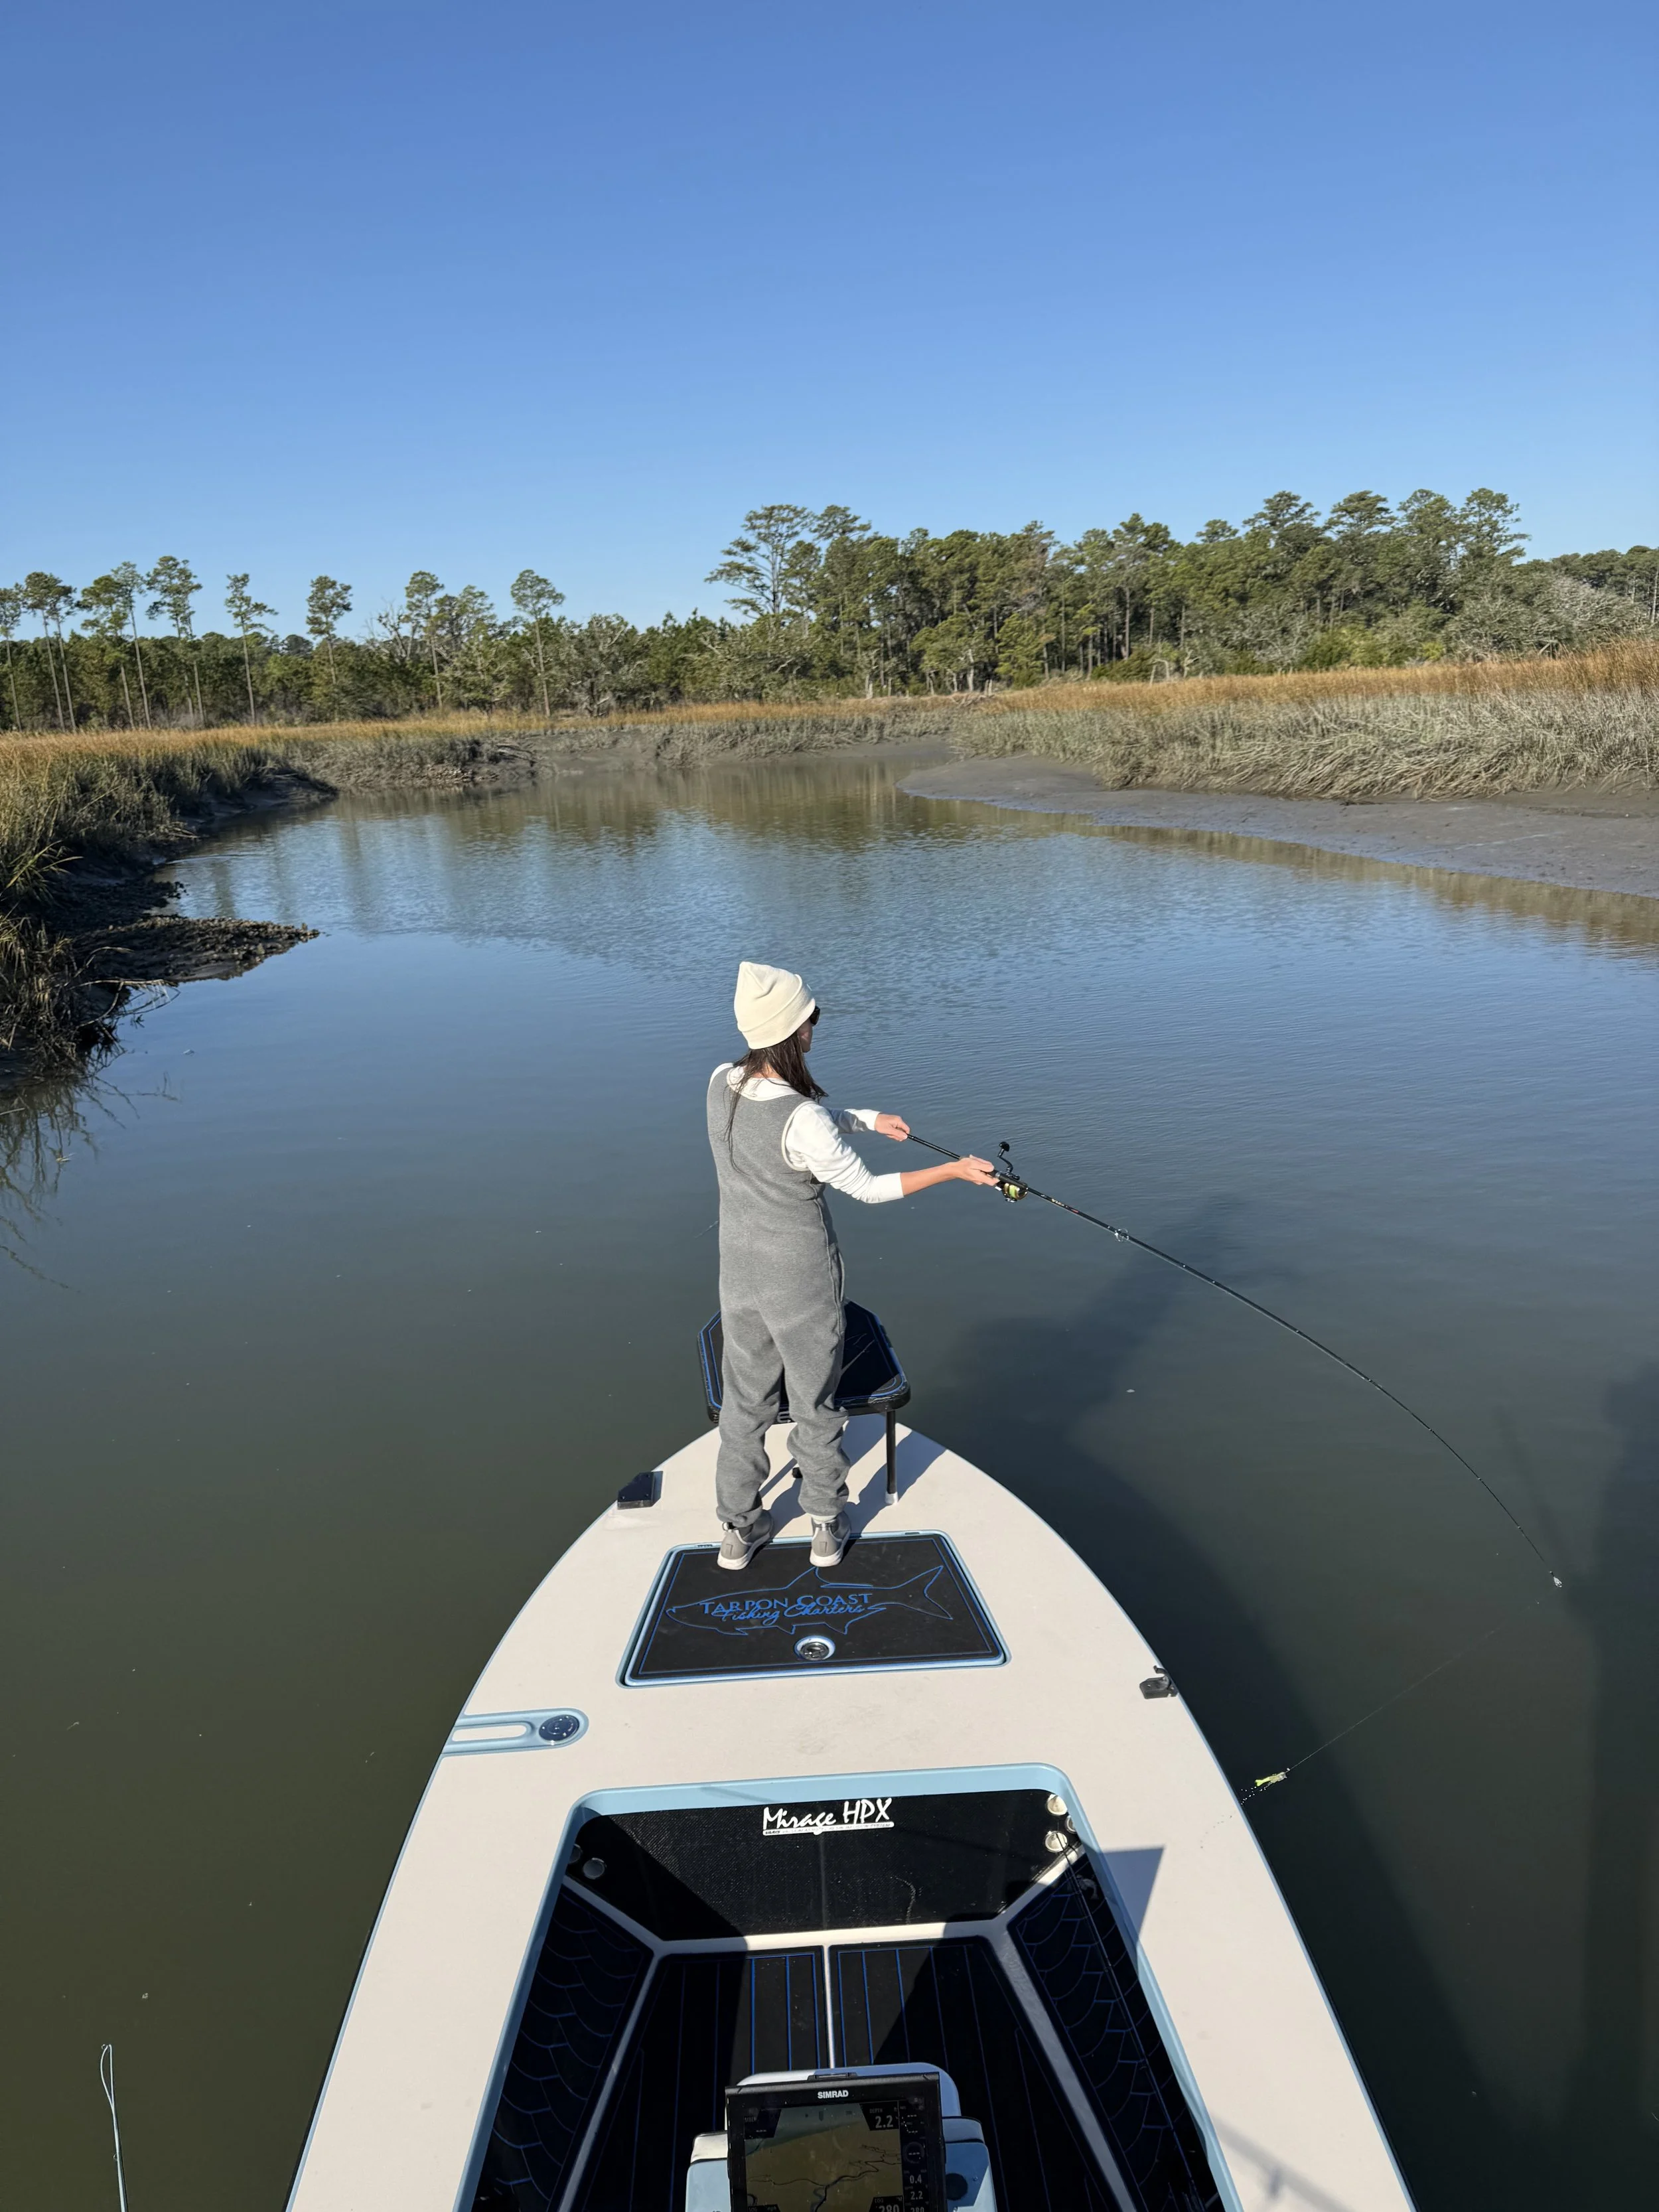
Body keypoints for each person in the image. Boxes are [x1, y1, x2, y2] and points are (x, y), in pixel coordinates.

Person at [707, 962, 997, 1572]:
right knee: (815, 1401)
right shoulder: (803, 1118)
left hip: (739, 1275)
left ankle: (739, 1529)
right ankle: (824, 1524)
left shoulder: (718, 1083)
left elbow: (792, 1126)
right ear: (794, 1030)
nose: (816, 1023)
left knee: (745, 1403)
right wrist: (952, 1169)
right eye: (810, 1015)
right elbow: (864, 1186)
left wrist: (862, 1118)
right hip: (802, 1281)